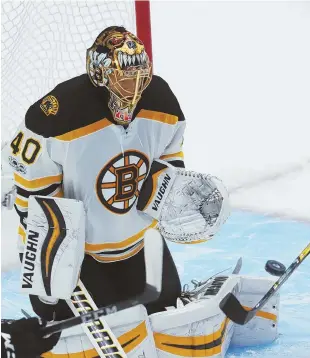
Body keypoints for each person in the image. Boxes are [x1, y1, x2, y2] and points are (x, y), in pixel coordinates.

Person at [7, 25, 229, 338]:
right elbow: (35, 202)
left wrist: (174, 193)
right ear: (99, 74)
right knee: (112, 333)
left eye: (141, 75)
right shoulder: (57, 115)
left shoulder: (162, 101)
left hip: (139, 243)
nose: (136, 87)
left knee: (167, 314)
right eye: (125, 77)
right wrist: (52, 274)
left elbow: (170, 162)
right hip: (76, 256)